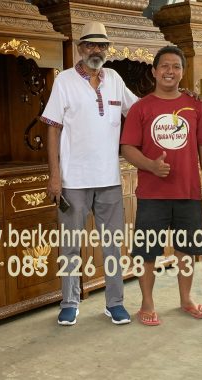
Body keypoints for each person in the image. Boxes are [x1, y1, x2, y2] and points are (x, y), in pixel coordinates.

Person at [40, 21, 138, 326]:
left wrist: (175, 101)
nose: (97, 51)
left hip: (109, 178)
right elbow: (52, 129)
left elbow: (138, 112)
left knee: (112, 243)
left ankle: (115, 303)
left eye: (102, 46)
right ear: (80, 49)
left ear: (107, 50)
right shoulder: (65, 81)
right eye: (91, 45)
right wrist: (55, 175)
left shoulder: (115, 80)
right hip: (73, 180)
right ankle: (69, 302)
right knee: (70, 243)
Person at [120, 46, 202, 326]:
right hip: (152, 194)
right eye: (164, 66)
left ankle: (186, 299)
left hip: (187, 192)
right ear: (154, 71)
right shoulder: (141, 107)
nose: (169, 71)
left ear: (182, 72)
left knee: (186, 250)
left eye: (176, 66)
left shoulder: (194, 106)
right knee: (146, 251)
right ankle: (147, 303)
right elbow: (128, 147)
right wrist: (150, 165)